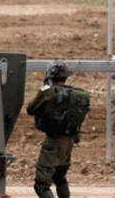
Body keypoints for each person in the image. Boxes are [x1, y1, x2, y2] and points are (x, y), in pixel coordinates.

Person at [25, 61, 89, 198]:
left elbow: (31, 109)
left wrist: (43, 89)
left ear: (50, 76)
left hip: (53, 142)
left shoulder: (48, 92)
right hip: (69, 142)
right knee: (59, 178)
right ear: (66, 76)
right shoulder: (76, 94)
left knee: (41, 184)